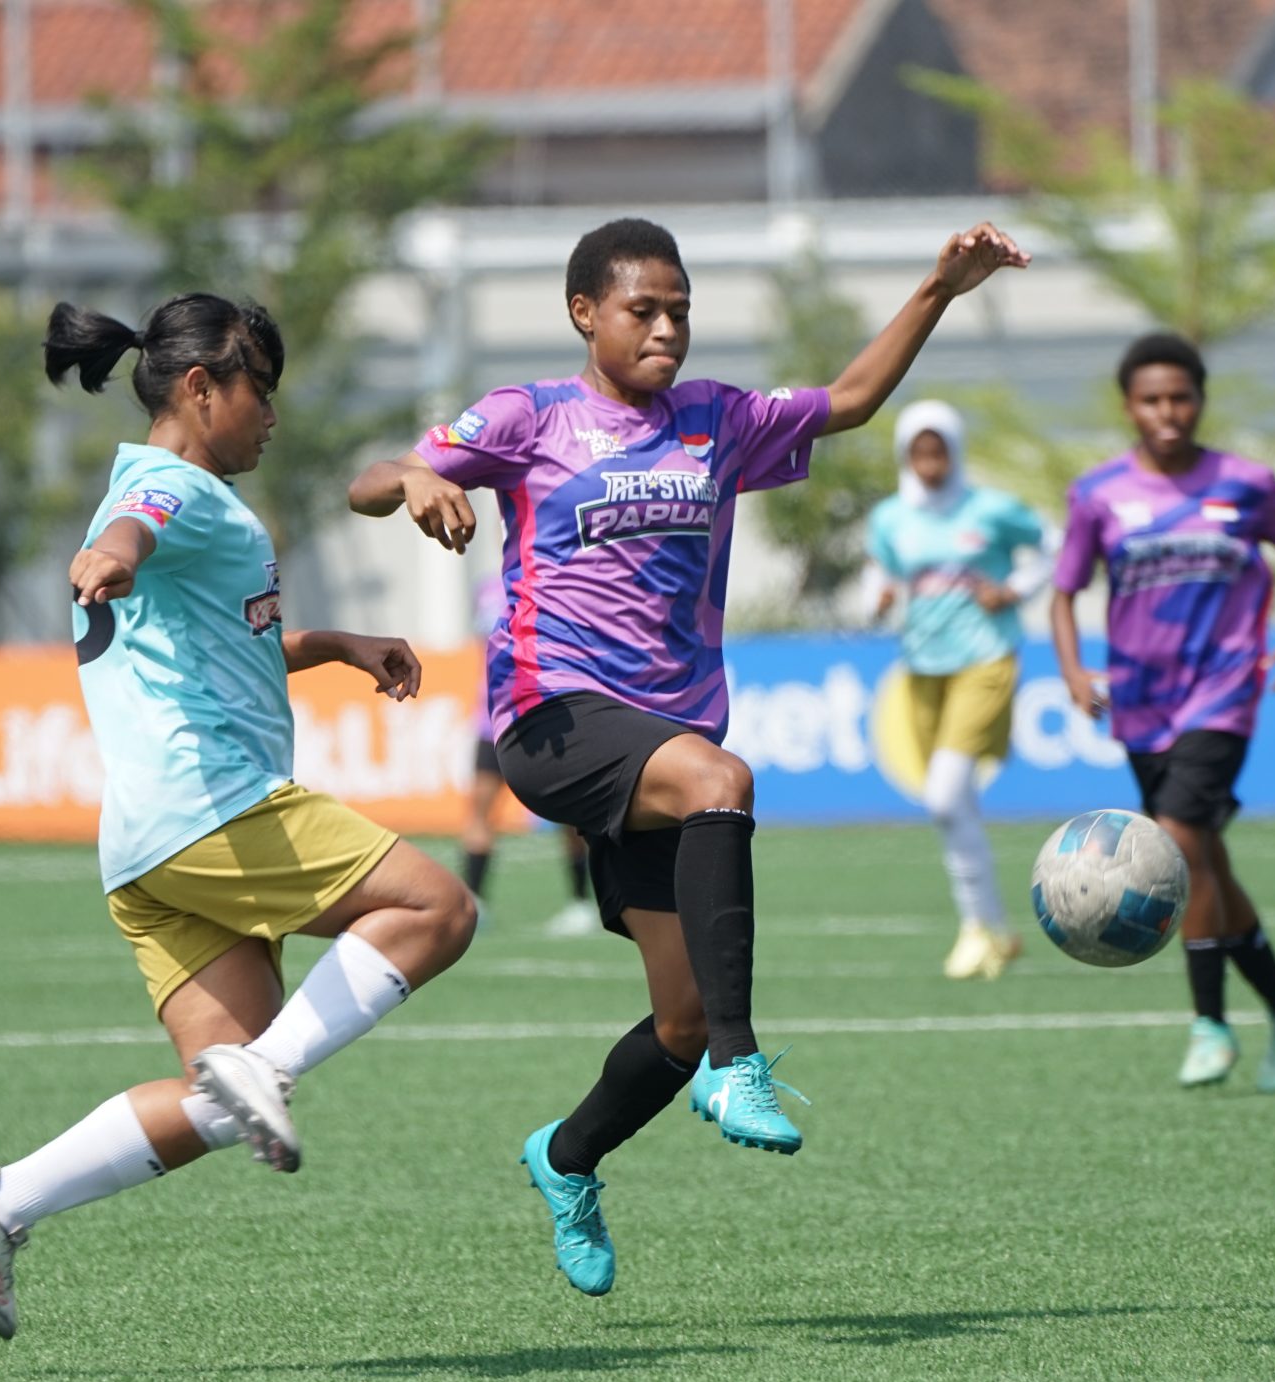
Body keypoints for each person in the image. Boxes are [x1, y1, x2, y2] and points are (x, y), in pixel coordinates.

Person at [350, 214, 1029, 1296]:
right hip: (550, 717)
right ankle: (739, 1061)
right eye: (643, 310)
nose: (666, 328)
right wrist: (413, 477)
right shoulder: (529, 415)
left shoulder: (719, 418)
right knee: (725, 787)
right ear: (585, 313)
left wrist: (938, 289)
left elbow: (851, 400)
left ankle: (567, 1156)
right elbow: (369, 482)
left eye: (680, 311)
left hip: (664, 739)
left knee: (678, 1015)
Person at [0, 294, 477, 1340]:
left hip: (146, 850)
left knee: (218, 1103)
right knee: (439, 909)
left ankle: (1, 1200)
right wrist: (111, 554)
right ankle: (265, 1067)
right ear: (198, 388)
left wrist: (337, 646)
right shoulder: (170, 489)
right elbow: (134, 531)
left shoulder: (181, 496)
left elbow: (222, 643)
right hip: (209, 806)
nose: (270, 414)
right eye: (258, 390)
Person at [1048, 332, 1275, 1093]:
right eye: (1151, 400)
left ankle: (1209, 1023)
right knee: (1204, 859)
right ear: (1128, 407)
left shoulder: (1245, 483)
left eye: (1180, 397)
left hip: (1224, 690)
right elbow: (1064, 591)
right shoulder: (1098, 493)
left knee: (1176, 842)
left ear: (1200, 401)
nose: (1167, 412)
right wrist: (1071, 668)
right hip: (1141, 701)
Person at [865, 398, 1051, 981]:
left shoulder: (990, 509)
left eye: (938, 450)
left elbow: (1050, 545)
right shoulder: (891, 517)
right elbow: (881, 570)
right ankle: (993, 929)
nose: (929, 463)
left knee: (946, 796)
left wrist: (1015, 590)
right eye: (918, 452)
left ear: (955, 450)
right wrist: (879, 598)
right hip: (923, 664)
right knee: (952, 803)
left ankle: (975, 928)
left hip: (985, 658)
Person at [460, 569, 600, 938]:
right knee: (480, 810)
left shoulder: (551, 576)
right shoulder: (487, 588)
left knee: (570, 813)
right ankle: (473, 903)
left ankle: (581, 902)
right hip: (492, 719)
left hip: (547, 715)